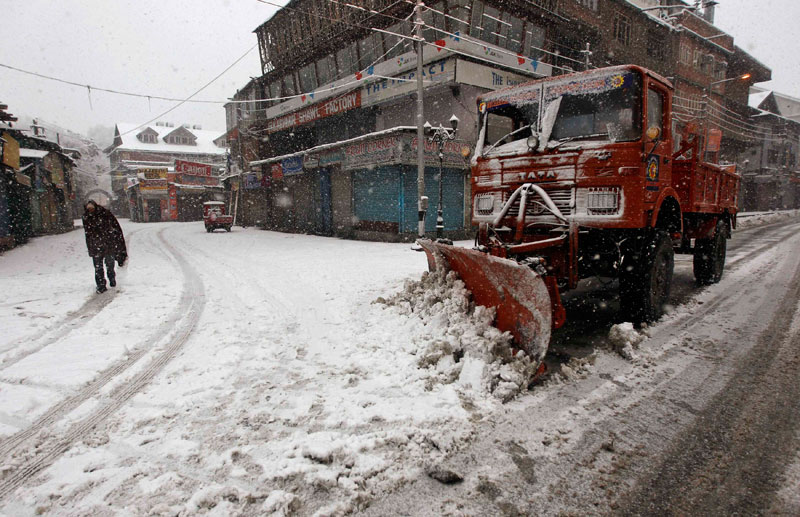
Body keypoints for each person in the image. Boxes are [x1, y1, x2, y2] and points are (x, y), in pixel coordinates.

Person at [82, 200, 127, 293]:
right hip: (95, 245)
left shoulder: (105, 214)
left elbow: (115, 227)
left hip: (107, 244)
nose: (90, 211)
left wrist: (114, 241)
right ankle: (101, 285)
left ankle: (111, 277)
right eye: (89, 209)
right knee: (98, 267)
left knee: (109, 264)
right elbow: (88, 234)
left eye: (91, 209)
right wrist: (90, 247)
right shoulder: (86, 217)